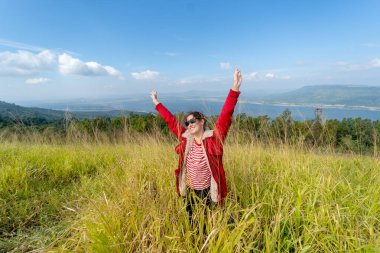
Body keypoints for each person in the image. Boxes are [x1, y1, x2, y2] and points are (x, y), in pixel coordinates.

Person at [150, 69, 243, 220]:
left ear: (202, 121)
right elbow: (170, 121)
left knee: (208, 219)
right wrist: (156, 102)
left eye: (193, 121)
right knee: (191, 218)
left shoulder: (213, 139)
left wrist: (234, 88)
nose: (189, 124)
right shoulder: (186, 138)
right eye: (187, 122)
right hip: (189, 188)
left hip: (207, 189)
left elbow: (225, 116)